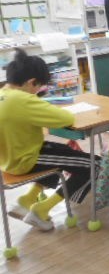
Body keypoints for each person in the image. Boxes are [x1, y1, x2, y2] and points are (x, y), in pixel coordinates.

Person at [0, 49, 95, 231]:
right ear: (31, 82)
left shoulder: (3, 94)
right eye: (39, 87)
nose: (38, 91)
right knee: (93, 165)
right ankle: (41, 210)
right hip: (25, 160)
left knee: (64, 152)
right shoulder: (23, 100)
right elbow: (65, 119)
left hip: (7, 161)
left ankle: (26, 200)